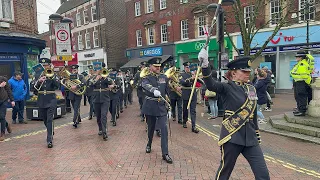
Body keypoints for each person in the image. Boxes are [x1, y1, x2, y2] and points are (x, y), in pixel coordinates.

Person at [198, 49, 270, 180]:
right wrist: (205, 65)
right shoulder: (227, 87)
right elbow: (210, 84)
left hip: (250, 138)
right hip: (233, 136)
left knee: (263, 175)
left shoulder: (251, 88)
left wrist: (256, 132)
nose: (248, 73)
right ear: (234, 73)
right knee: (225, 171)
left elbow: (252, 113)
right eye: (244, 71)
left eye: (249, 71)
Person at [142, 57, 172, 164]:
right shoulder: (147, 77)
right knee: (151, 128)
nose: (158, 68)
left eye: (159, 66)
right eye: (155, 66)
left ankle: (165, 153)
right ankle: (149, 143)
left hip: (161, 107)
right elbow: (145, 85)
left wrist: (169, 107)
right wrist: (154, 90)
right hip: (150, 106)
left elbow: (167, 92)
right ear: (150, 67)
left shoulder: (164, 77)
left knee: (164, 129)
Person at [33, 58, 60, 148]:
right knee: (44, 119)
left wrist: (51, 77)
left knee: (49, 119)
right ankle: (50, 130)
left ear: (49, 65)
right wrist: (39, 81)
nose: (45, 67)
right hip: (41, 100)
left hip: (51, 99)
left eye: (46, 65)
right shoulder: (37, 75)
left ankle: (49, 140)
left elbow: (57, 86)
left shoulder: (53, 75)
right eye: (43, 65)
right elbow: (33, 89)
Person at [89, 62, 113, 140]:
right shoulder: (93, 77)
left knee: (103, 115)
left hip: (105, 99)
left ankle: (104, 131)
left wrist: (112, 85)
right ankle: (100, 128)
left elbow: (112, 83)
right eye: (99, 69)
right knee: (98, 116)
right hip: (96, 99)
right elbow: (89, 84)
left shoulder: (106, 77)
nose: (100, 70)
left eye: (101, 68)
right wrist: (96, 79)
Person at [290, 51, 313, 116]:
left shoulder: (302, 64)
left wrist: (305, 82)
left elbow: (303, 75)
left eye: (297, 57)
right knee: (299, 96)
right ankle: (300, 109)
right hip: (300, 82)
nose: (296, 58)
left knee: (301, 96)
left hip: (301, 82)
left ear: (301, 58)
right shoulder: (301, 63)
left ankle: (302, 111)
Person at [179, 62, 199, 133]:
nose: (188, 69)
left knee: (193, 110)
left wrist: (197, 76)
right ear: (184, 67)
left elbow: (199, 82)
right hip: (186, 93)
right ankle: (184, 121)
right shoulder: (181, 74)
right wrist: (191, 78)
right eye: (187, 67)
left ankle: (194, 126)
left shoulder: (192, 74)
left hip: (193, 93)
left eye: (189, 67)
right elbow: (183, 82)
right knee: (185, 109)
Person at [0, 76, 15, 141]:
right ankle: (7, 125)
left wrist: (12, 100)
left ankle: (2, 133)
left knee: (2, 116)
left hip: (3, 101)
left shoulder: (3, 79)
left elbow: (8, 90)